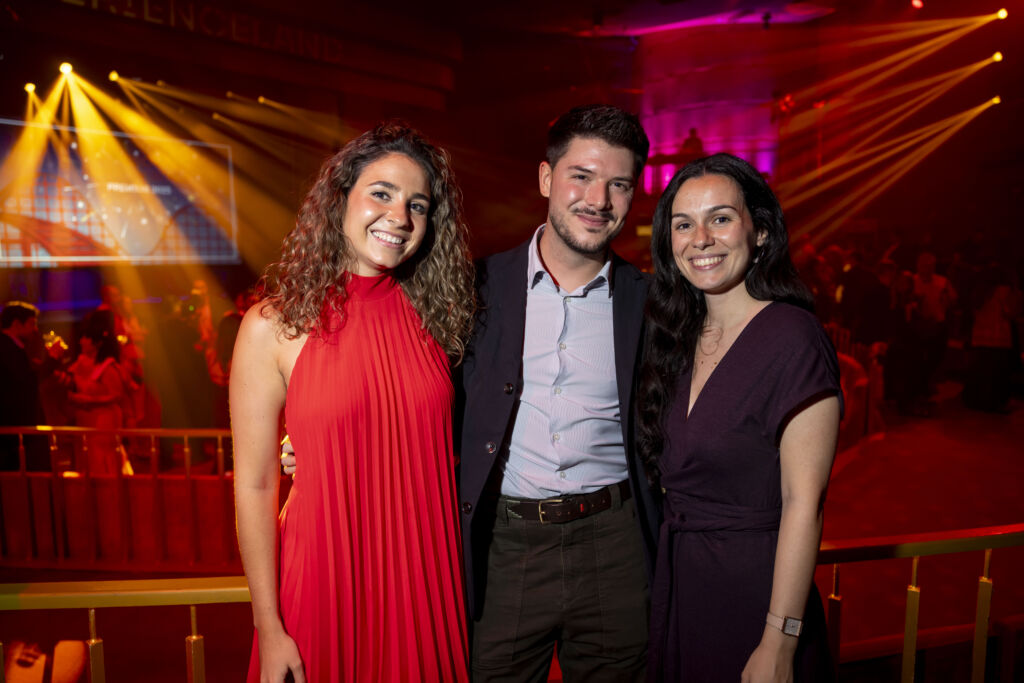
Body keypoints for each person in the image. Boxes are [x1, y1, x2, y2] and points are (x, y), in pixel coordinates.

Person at [232, 123, 475, 683]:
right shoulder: (272, 327)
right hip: (322, 579)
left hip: (423, 582)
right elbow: (256, 486)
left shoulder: (445, 320)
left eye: (418, 205)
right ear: (340, 198)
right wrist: (269, 626)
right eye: (381, 193)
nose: (400, 216)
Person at [459, 104, 659, 682]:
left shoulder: (651, 302)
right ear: (546, 178)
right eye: (582, 176)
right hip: (506, 545)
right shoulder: (474, 288)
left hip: (615, 544)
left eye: (619, 184)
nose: (599, 200)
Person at [637, 153, 842, 682]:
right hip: (684, 587)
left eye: (721, 218)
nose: (701, 239)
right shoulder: (676, 340)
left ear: (761, 232)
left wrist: (779, 640)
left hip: (756, 595)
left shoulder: (793, 337)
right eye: (684, 224)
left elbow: (804, 503)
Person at [68, 309, 127, 475]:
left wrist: (89, 400)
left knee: (102, 460)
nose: (81, 341)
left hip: (103, 421)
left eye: (86, 338)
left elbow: (117, 395)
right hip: (88, 420)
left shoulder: (108, 367)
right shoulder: (85, 363)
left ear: (98, 343)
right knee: (88, 458)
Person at [0, 301, 50, 470]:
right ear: (16, 324)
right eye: (31, 324)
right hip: (13, 434)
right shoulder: (7, 348)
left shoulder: (13, 348)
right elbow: (23, 384)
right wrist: (50, 363)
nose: (35, 329)